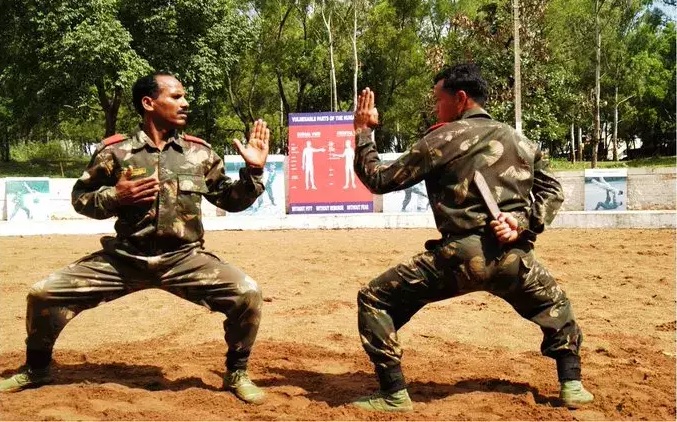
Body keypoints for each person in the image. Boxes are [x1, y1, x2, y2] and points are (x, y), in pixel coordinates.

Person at [0, 72, 270, 405]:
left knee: (247, 293)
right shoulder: (115, 152)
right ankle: (37, 368)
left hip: (183, 260)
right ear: (149, 103)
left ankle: (237, 372)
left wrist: (254, 172)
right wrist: (115, 196)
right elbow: (80, 198)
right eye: (176, 96)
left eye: (184, 97)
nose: (185, 103)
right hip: (124, 259)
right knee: (43, 294)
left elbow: (230, 199)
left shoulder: (198, 154)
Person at [350, 63, 594, 412]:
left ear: (460, 98)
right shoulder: (520, 140)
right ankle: (572, 385)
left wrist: (363, 133)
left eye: (438, 100)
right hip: (513, 258)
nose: (435, 108)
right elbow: (553, 191)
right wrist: (522, 224)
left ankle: (393, 393)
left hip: (458, 258)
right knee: (555, 306)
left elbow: (379, 179)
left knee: (375, 299)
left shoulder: (441, 138)